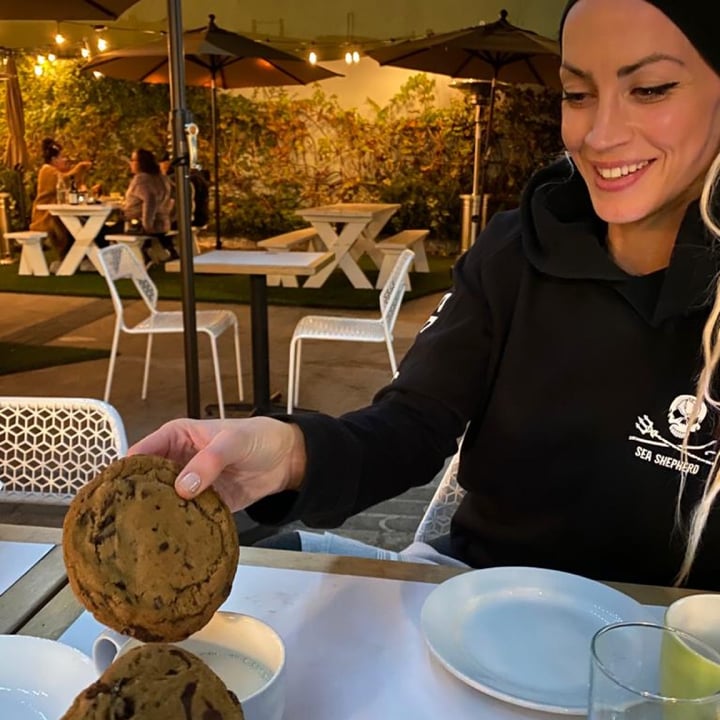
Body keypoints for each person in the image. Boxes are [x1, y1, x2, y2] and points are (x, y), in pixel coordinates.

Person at [129, 0, 720, 590]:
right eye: (577, 94)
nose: (599, 134)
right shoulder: (516, 250)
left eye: (651, 89)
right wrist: (289, 454)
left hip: (667, 651)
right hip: (477, 608)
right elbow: (412, 424)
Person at [29, 138, 92, 261]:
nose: (66, 160)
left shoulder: (55, 171)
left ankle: (78, 258)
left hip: (56, 215)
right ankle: (70, 259)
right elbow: (65, 180)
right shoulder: (47, 171)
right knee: (73, 226)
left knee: (82, 223)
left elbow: (74, 187)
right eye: (62, 157)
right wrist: (80, 168)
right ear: (54, 160)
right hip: (46, 217)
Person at [123, 148, 177, 262]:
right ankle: (148, 252)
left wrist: (147, 225)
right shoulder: (163, 178)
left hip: (137, 225)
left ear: (141, 163)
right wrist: (171, 216)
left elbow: (150, 200)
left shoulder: (142, 179)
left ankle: (98, 261)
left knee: (101, 231)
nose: (131, 163)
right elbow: (176, 196)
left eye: (133, 160)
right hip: (162, 224)